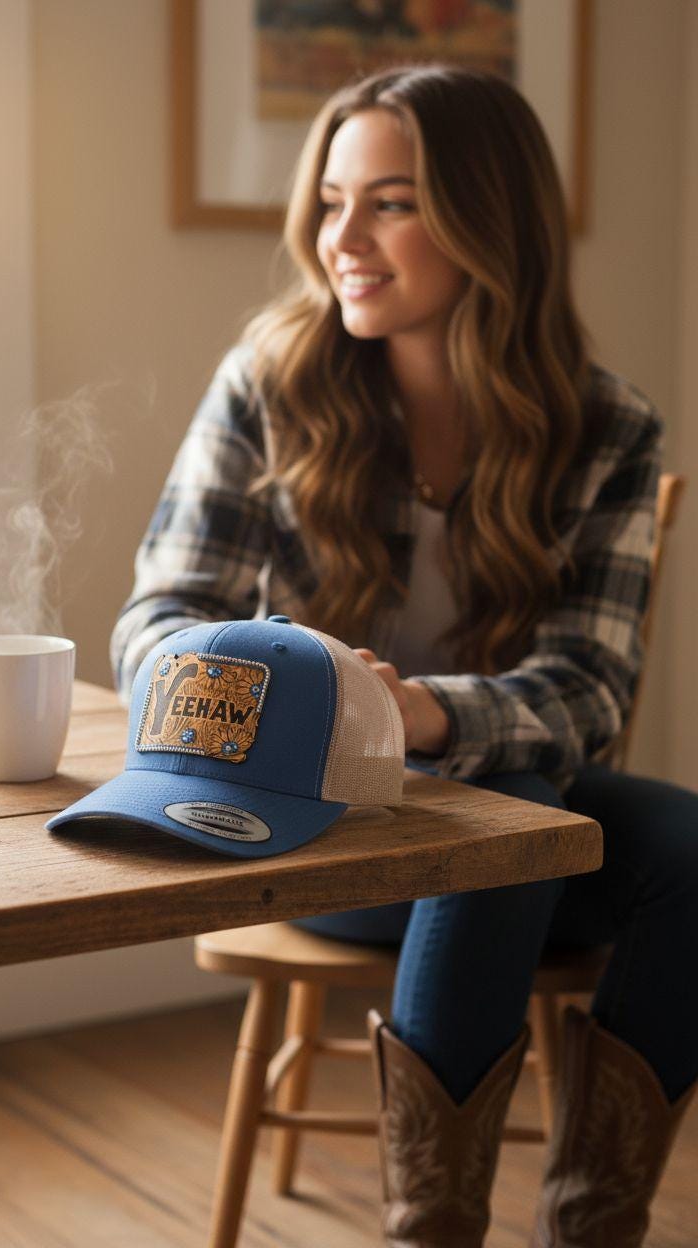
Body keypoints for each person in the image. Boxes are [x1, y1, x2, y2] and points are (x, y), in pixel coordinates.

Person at [111, 65, 697, 1248]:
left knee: (673, 843)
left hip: (506, 813)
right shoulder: (270, 386)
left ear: (490, 221)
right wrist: (308, 695)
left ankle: (596, 1225)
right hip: (307, 825)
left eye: (391, 202)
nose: (343, 239)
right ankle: (428, 1231)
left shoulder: (606, 428)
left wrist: (423, 715)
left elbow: (587, 690)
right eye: (331, 202)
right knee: (514, 817)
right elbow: (157, 626)